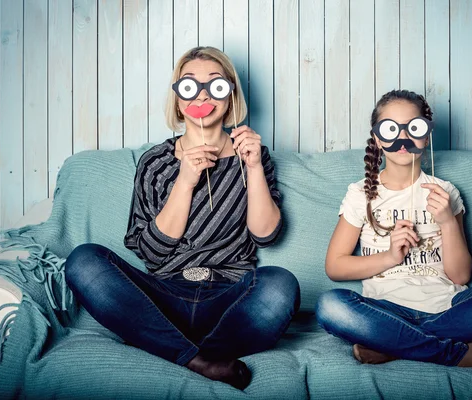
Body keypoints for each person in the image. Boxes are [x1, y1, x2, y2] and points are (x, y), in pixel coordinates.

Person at [65, 46, 300, 390]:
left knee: (281, 285)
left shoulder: (253, 153)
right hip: (164, 295)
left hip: (228, 297)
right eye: (190, 86)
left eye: (215, 85)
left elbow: (266, 235)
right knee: (84, 261)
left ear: (230, 96)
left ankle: (167, 348)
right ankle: (198, 360)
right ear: (178, 100)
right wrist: (185, 181)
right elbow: (152, 253)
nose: (202, 95)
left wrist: (252, 167)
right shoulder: (155, 162)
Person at [316, 89, 472, 367]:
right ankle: (462, 354)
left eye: (414, 128)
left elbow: (460, 275)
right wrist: (390, 257)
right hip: (386, 311)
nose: (403, 139)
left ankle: (394, 346)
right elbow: (335, 266)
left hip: (448, 308)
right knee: (330, 306)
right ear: (377, 139)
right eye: (391, 129)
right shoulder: (361, 195)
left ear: (426, 135)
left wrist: (446, 221)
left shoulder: (445, 192)